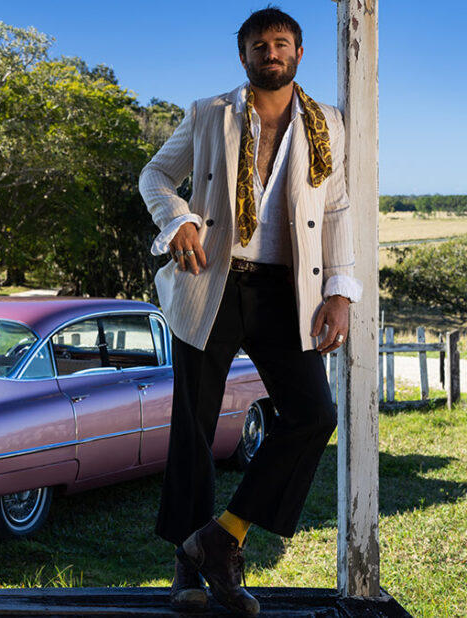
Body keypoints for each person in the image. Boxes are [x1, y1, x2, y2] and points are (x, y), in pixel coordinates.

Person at [138, 7, 361, 616]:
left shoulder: (328, 124)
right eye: (259, 45)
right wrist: (179, 220)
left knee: (314, 414)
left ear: (299, 53)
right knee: (194, 426)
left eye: (281, 43)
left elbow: (338, 209)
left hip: (286, 291)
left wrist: (340, 291)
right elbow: (155, 175)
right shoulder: (210, 113)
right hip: (208, 282)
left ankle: (222, 537)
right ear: (243, 56)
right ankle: (189, 570)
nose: (271, 53)